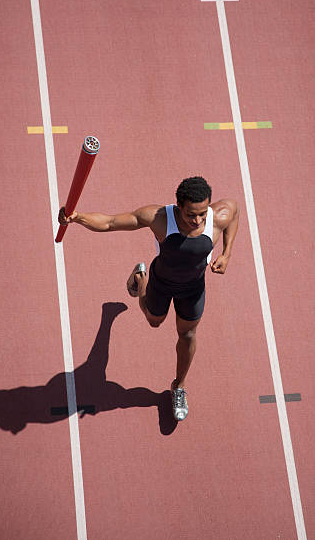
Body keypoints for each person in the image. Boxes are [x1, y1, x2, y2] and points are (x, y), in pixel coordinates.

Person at [58, 176, 239, 421]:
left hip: (193, 288)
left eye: (202, 214)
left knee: (187, 335)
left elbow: (234, 212)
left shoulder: (218, 216)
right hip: (161, 282)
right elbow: (111, 222)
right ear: (178, 208)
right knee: (154, 321)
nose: (197, 221)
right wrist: (77, 217)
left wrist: (227, 254)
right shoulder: (159, 219)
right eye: (191, 215)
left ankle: (179, 387)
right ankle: (141, 280)